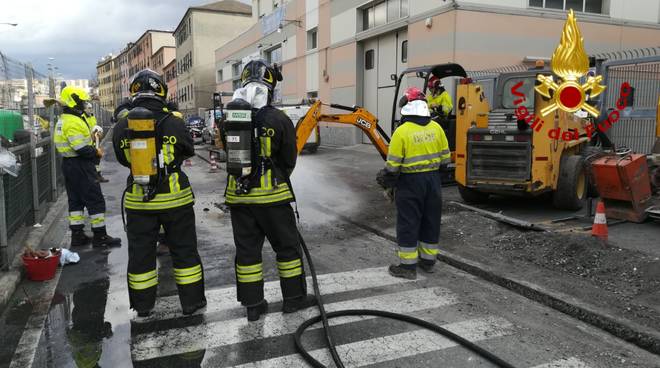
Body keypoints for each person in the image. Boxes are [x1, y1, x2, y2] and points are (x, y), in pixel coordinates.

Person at [224, 60, 315, 322]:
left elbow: (226, 153)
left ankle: (253, 305)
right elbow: (289, 158)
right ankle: (293, 300)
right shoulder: (279, 119)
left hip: (239, 200)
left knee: (248, 253)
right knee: (287, 249)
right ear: (270, 87)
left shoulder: (231, 118)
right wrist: (275, 177)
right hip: (273, 199)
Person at [112, 69, 206, 317]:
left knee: (141, 255)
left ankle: (143, 306)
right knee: (184, 251)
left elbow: (123, 159)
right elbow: (188, 150)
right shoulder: (174, 121)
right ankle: (191, 302)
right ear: (161, 91)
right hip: (176, 200)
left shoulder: (123, 125)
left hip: (139, 201)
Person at [377, 87, 451, 280]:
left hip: (410, 182)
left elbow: (392, 167)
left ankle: (408, 267)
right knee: (430, 220)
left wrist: (385, 180)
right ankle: (428, 262)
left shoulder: (402, 132)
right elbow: (445, 160)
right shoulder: (437, 128)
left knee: (409, 222)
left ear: (408, 107)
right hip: (433, 181)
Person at [54, 86, 121, 248]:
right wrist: (95, 152)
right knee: (94, 199)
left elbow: (76, 143)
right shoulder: (74, 121)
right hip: (81, 164)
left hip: (69, 165)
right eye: (83, 102)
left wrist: (91, 138)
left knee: (75, 200)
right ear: (74, 102)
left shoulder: (64, 120)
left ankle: (77, 235)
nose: (85, 105)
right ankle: (100, 236)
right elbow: (82, 148)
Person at [83, 103, 108, 183]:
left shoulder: (92, 116)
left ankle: (98, 175)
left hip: (94, 141)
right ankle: (94, 176)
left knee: (97, 159)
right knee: (91, 161)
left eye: (91, 108)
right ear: (84, 109)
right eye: (89, 108)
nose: (90, 109)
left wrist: (98, 132)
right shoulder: (82, 118)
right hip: (87, 142)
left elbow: (95, 127)